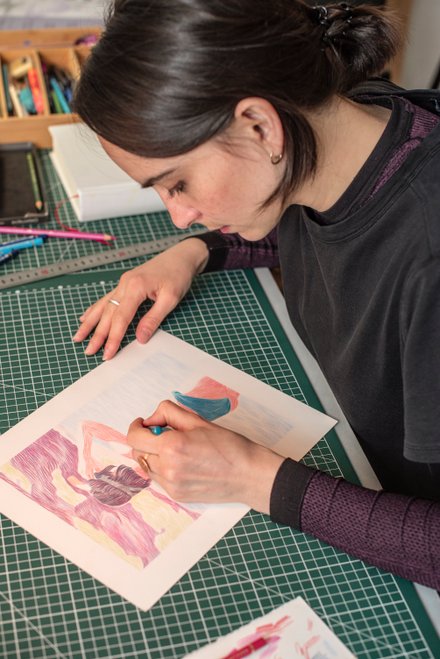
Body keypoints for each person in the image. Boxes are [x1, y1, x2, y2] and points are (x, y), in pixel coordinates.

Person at [72, 0, 440, 590]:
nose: (178, 215)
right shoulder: (352, 121)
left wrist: (255, 478)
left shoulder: (430, 262)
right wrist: (197, 251)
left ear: (260, 127)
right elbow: (332, 226)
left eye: (178, 183)